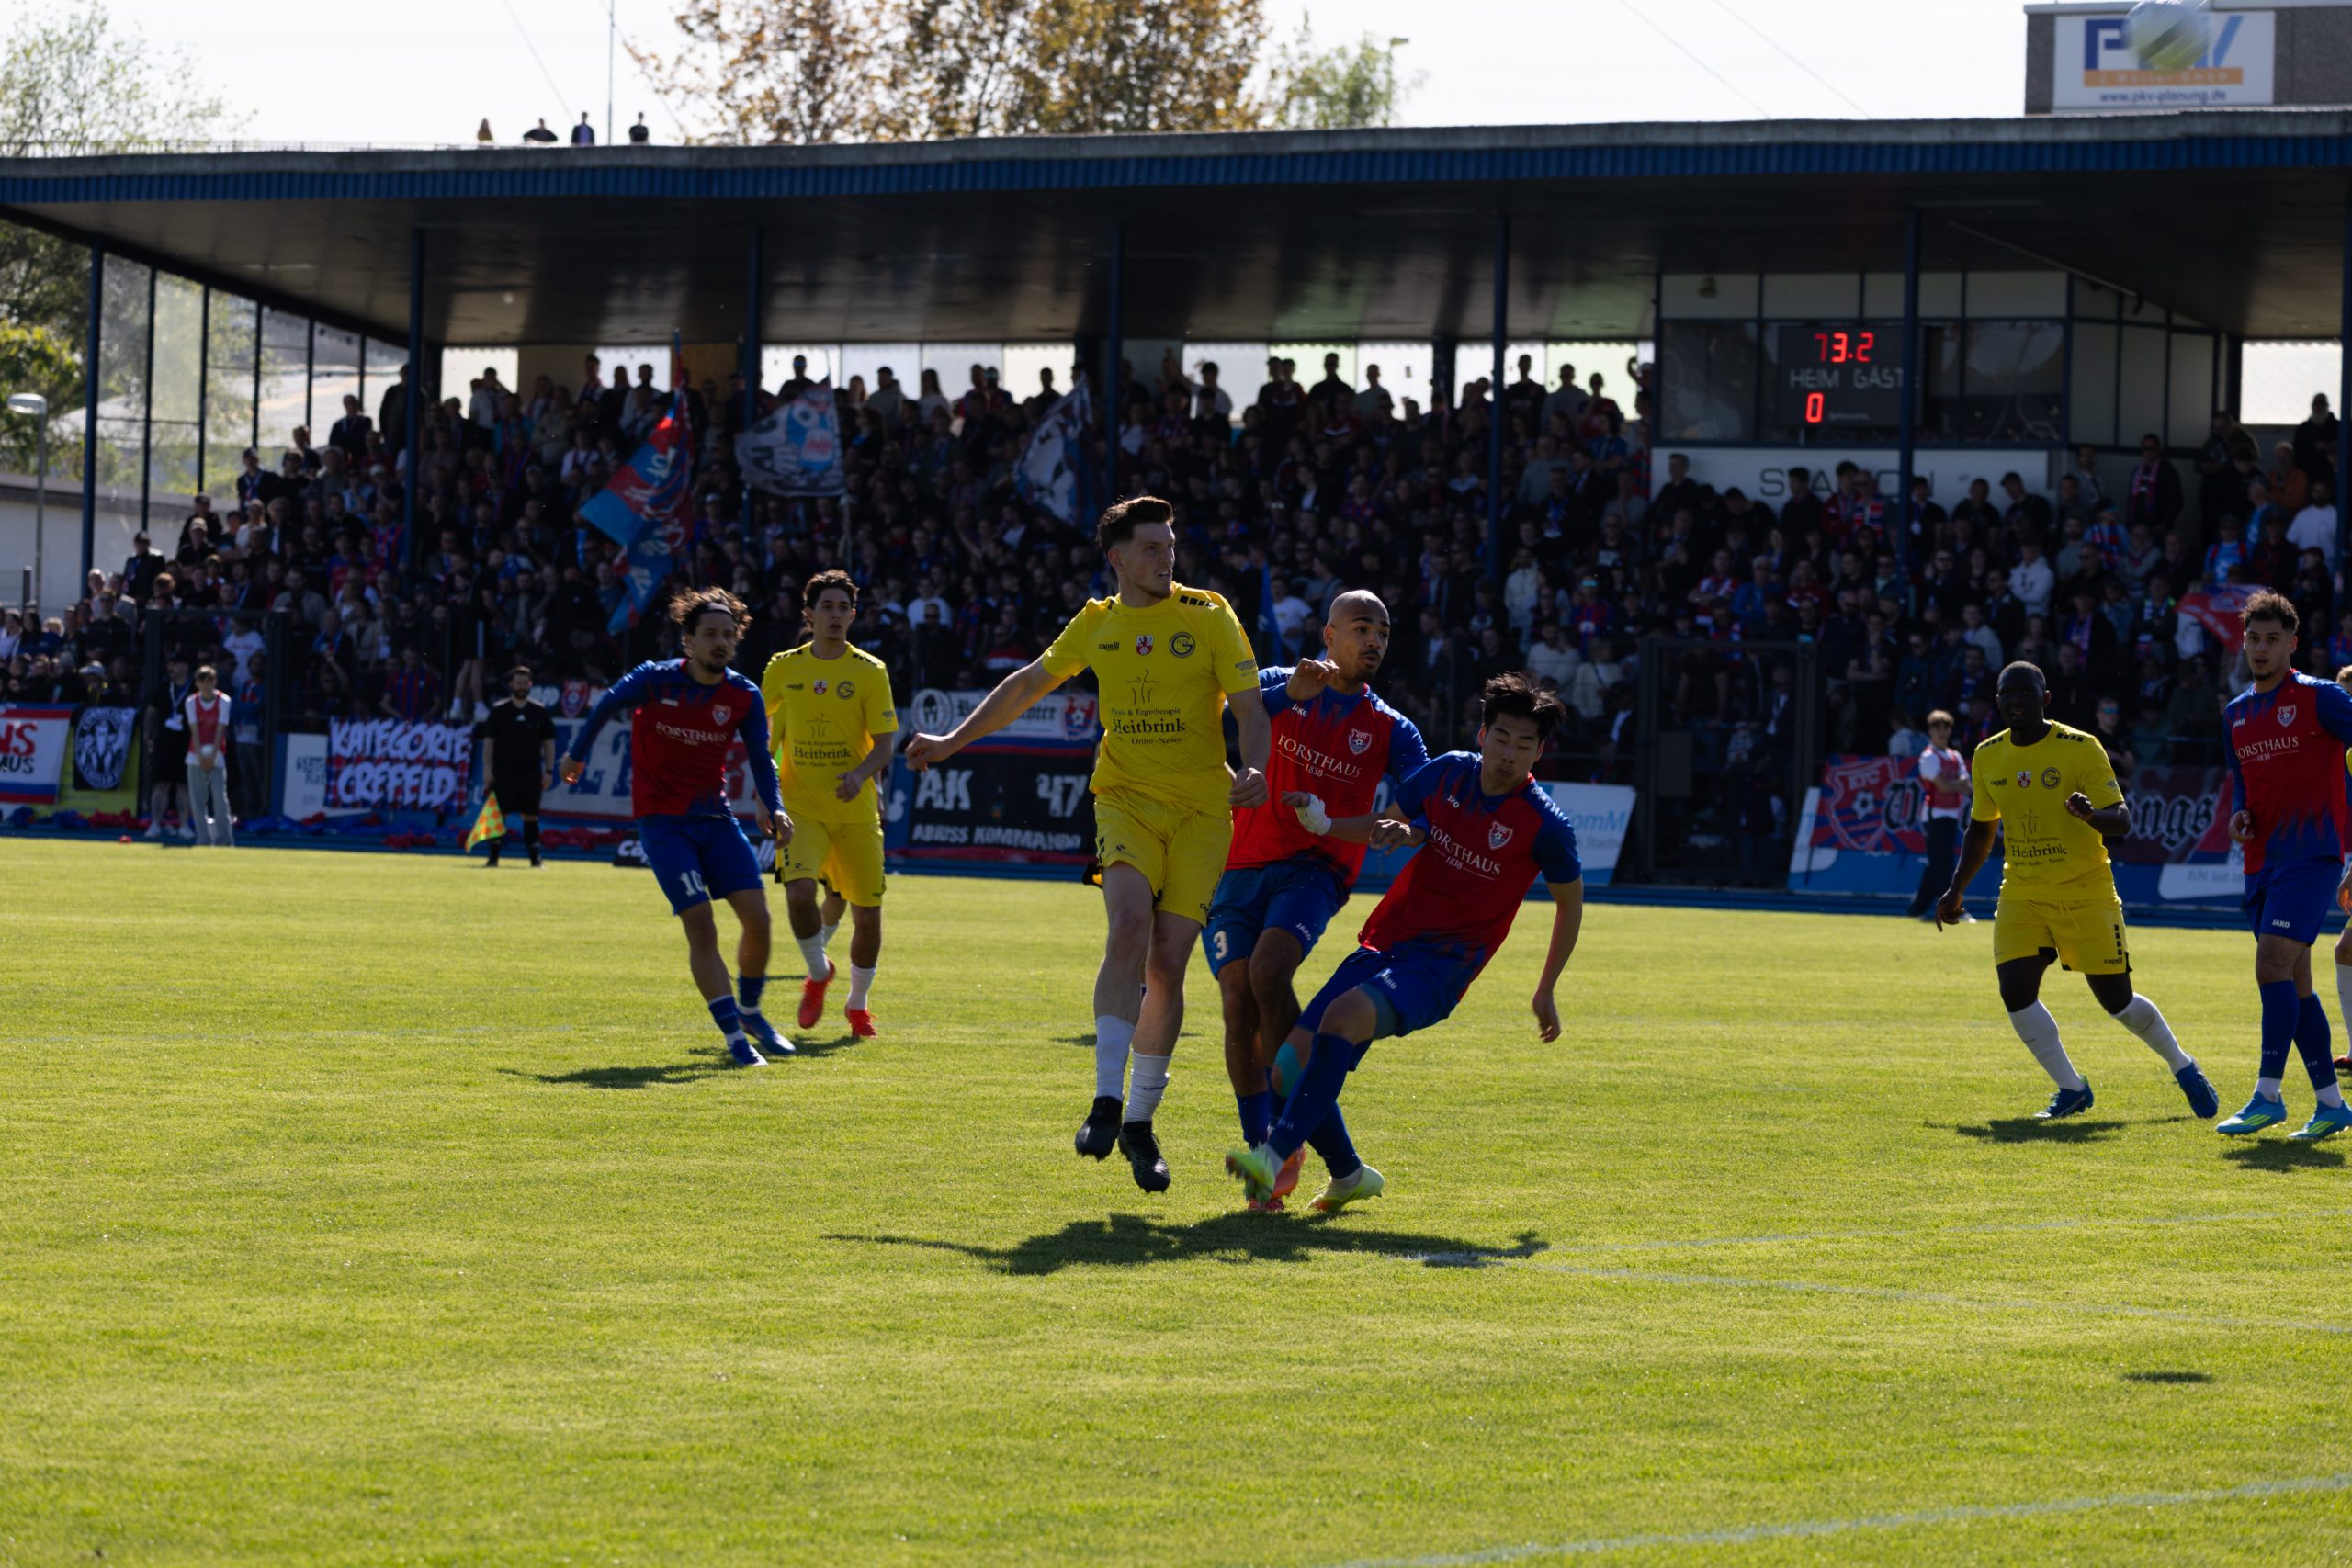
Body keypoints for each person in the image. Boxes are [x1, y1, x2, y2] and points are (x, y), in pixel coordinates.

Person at [905, 496, 1272, 1191]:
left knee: (1168, 965)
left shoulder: (1209, 614)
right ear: (1118, 559)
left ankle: (1139, 1123)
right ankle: (1105, 1099)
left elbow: (1251, 710)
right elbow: (1026, 685)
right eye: (1152, 548)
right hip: (1124, 799)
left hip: (1202, 814)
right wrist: (953, 741)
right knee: (1127, 925)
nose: (1166, 558)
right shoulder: (1096, 623)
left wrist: (1254, 767)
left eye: (1170, 546)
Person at [1224, 672, 1584, 1213]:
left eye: (1524, 744)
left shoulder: (1546, 825)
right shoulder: (1447, 773)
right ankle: (1349, 1175)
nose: (1510, 753)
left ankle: (1271, 1160)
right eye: (1502, 738)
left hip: (1442, 966)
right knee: (1287, 1066)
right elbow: (1390, 825)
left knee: (1341, 1018)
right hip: (1385, 942)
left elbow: (1570, 904)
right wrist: (1324, 821)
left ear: (1539, 752)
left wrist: (1546, 988)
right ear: (1483, 735)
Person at [1204, 590, 1429, 1212]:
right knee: (1236, 1001)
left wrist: (1403, 827)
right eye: (1362, 628)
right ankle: (1296, 1160)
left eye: (1383, 632)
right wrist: (1286, 697)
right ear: (1328, 634)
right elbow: (1211, 715)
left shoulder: (1390, 727)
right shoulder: (1279, 682)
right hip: (1237, 865)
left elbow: (1425, 800)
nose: (1374, 641)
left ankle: (1280, 1145)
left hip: (1314, 870)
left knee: (1268, 970)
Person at [1937, 662, 2214, 1122]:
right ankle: (2071, 1088)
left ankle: (2182, 1065)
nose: (2016, 701)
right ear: (1999, 701)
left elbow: (2121, 820)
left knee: (2117, 1001)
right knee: (2015, 990)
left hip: (2086, 891)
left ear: (2045, 698)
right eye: (2008, 694)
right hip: (2023, 890)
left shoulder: (2081, 747)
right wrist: (1955, 889)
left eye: (2026, 693)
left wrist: (2090, 816)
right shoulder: (1987, 754)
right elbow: (1981, 830)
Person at [557, 589, 789, 1066]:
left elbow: (761, 759)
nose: (720, 643)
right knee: (701, 923)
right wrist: (576, 754)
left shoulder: (743, 695)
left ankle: (750, 1011)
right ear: (689, 641)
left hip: (717, 820)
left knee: (759, 921)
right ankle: (734, 1037)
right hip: (664, 823)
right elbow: (605, 706)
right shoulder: (654, 678)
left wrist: (776, 805)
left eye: (728, 635)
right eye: (710, 634)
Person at [2217, 592, 2352, 1139]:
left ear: (2292, 644)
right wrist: (2239, 815)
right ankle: (2332, 1105)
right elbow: (2242, 783)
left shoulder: (2322, 698)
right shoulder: (2236, 714)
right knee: (2295, 984)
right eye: (2254, 638)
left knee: (2270, 966)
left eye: (2273, 639)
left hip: (2311, 856)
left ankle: (2267, 1096)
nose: (2261, 649)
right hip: (2261, 862)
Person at [759, 569, 898, 1040]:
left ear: (853, 616)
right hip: (800, 807)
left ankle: (858, 1005)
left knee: (868, 915)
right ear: (809, 614)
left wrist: (860, 775)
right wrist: (763, 794)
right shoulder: (783, 668)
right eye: (827, 607)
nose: (835, 615)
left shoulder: (870, 671)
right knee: (799, 894)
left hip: (856, 812)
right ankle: (819, 972)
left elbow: (885, 745)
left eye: (843, 608)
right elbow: (757, 728)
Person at [472, 664, 557, 868]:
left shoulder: (539, 711)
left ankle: (535, 859)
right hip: (503, 772)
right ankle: (493, 859)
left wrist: (548, 771)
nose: (521, 686)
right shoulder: (499, 711)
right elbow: (489, 742)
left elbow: (549, 743)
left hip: (530, 772)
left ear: (530, 685)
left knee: (530, 815)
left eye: (524, 683)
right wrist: (487, 769)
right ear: (511, 684)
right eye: (518, 682)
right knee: (499, 814)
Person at [1906, 710, 1969, 921]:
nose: (1942, 732)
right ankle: (1949, 909)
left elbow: (1967, 786)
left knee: (1936, 864)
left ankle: (1917, 909)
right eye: (1937, 728)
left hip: (1951, 815)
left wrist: (1952, 784)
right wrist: (1955, 784)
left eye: (1946, 727)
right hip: (1935, 816)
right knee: (1944, 865)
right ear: (1930, 731)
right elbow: (1943, 787)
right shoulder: (1929, 756)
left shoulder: (1955, 756)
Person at [183, 664, 235, 847]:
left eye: (209, 681)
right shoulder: (191, 702)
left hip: (216, 755)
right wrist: (200, 756)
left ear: (215, 682)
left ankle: (225, 839)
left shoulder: (224, 701)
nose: (206, 685)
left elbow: (221, 730)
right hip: (195, 756)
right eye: (202, 681)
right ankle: (203, 838)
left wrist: (213, 756)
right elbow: (194, 731)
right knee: (197, 799)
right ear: (197, 683)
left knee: (220, 798)